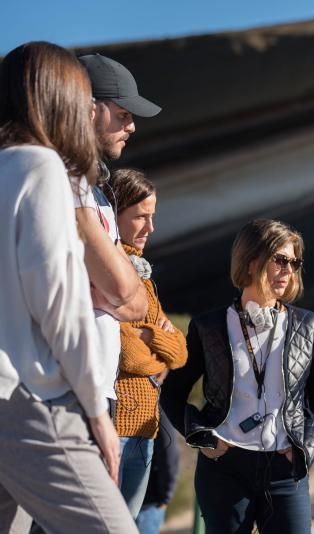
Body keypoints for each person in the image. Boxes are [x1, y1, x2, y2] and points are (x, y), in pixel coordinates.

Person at [0, 41, 137, 533]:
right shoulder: (41, 168)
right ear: (58, 97)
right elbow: (59, 302)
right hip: (28, 396)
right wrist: (98, 413)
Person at [162, 219, 314, 534]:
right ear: (251, 261)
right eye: (280, 260)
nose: (289, 270)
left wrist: (307, 447)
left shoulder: (308, 326)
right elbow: (172, 393)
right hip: (225, 468)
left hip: (286, 470)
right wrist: (200, 436)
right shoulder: (209, 327)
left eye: (294, 262)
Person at [73, 53, 162, 415]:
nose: (132, 127)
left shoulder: (99, 196)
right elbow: (123, 292)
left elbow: (133, 301)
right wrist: (114, 288)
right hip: (68, 390)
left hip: (101, 390)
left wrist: (111, 288)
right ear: (90, 110)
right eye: (123, 115)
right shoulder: (58, 186)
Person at [105, 168, 188, 518]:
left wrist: (150, 336)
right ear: (115, 212)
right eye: (140, 216)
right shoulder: (106, 267)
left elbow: (180, 352)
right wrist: (159, 357)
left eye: (152, 217)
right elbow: (126, 355)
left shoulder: (144, 279)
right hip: (114, 429)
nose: (149, 228)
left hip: (145, 430)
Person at [136, 407, 181, 534]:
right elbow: (169, 451)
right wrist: (166, 496)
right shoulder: (157, 405)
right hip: (149, 499)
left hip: (120, 495)